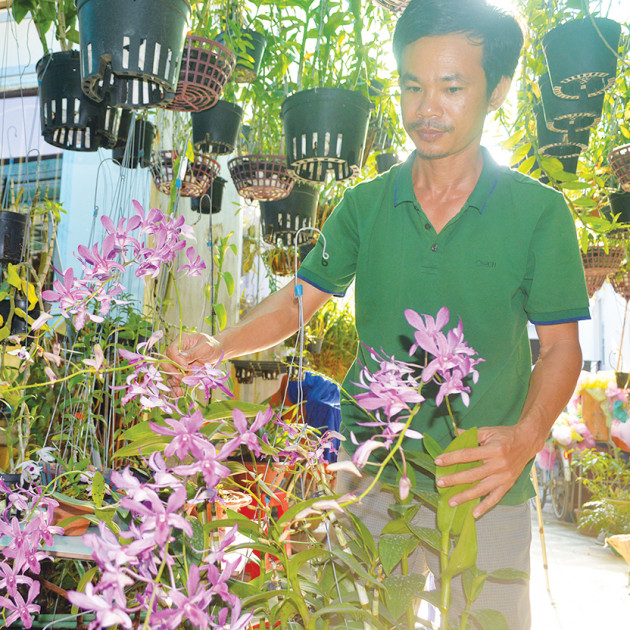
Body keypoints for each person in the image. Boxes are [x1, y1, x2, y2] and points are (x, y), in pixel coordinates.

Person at [166, 1, 590, 627]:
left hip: (484, 483)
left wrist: (523, 442)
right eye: (412, 86)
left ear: (497, 90)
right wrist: (218, 345)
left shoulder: (539, 213)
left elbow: (560, 350)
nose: (426, 108)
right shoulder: (366, 205)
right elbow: (299, 299)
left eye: (451, 87)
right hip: (374, 473)